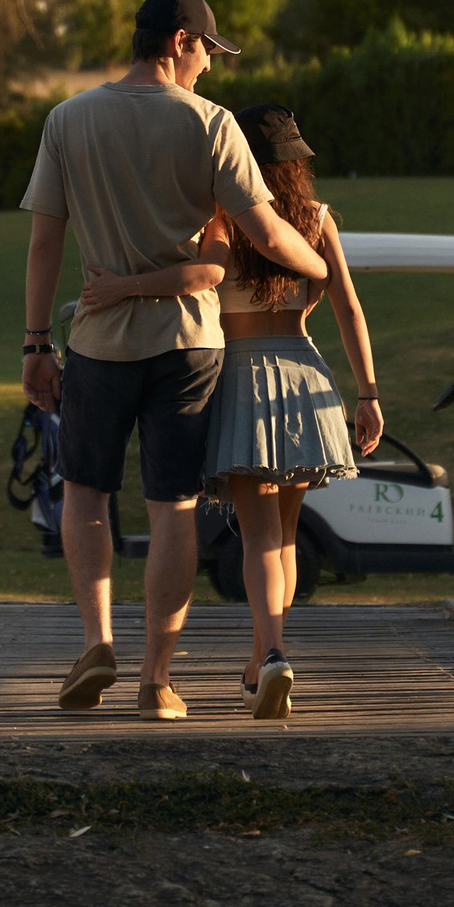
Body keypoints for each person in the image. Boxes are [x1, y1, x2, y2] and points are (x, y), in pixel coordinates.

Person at [19, 0, 330, 721]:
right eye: (207, 54)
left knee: (87, 492)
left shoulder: (68, 119)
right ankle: (156, 679)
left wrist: (36, 343)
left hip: (98, 343)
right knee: (173, 508)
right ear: (181, 41)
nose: (210, 70)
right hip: (189, 344)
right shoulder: (211, 123)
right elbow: (263, 229)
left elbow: (45, 241)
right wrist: (315, 263)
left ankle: (97, 639)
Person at [84, 103, 378, 720]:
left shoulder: (224, 216)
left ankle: (270, 656)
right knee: (287, 536)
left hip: (243, 379)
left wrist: (120, 288)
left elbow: (201, 275)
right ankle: (262, 660)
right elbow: (347, 308)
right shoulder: (317, 220)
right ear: (296, 165)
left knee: (259, 533)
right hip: (304, 374)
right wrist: (369, 393)